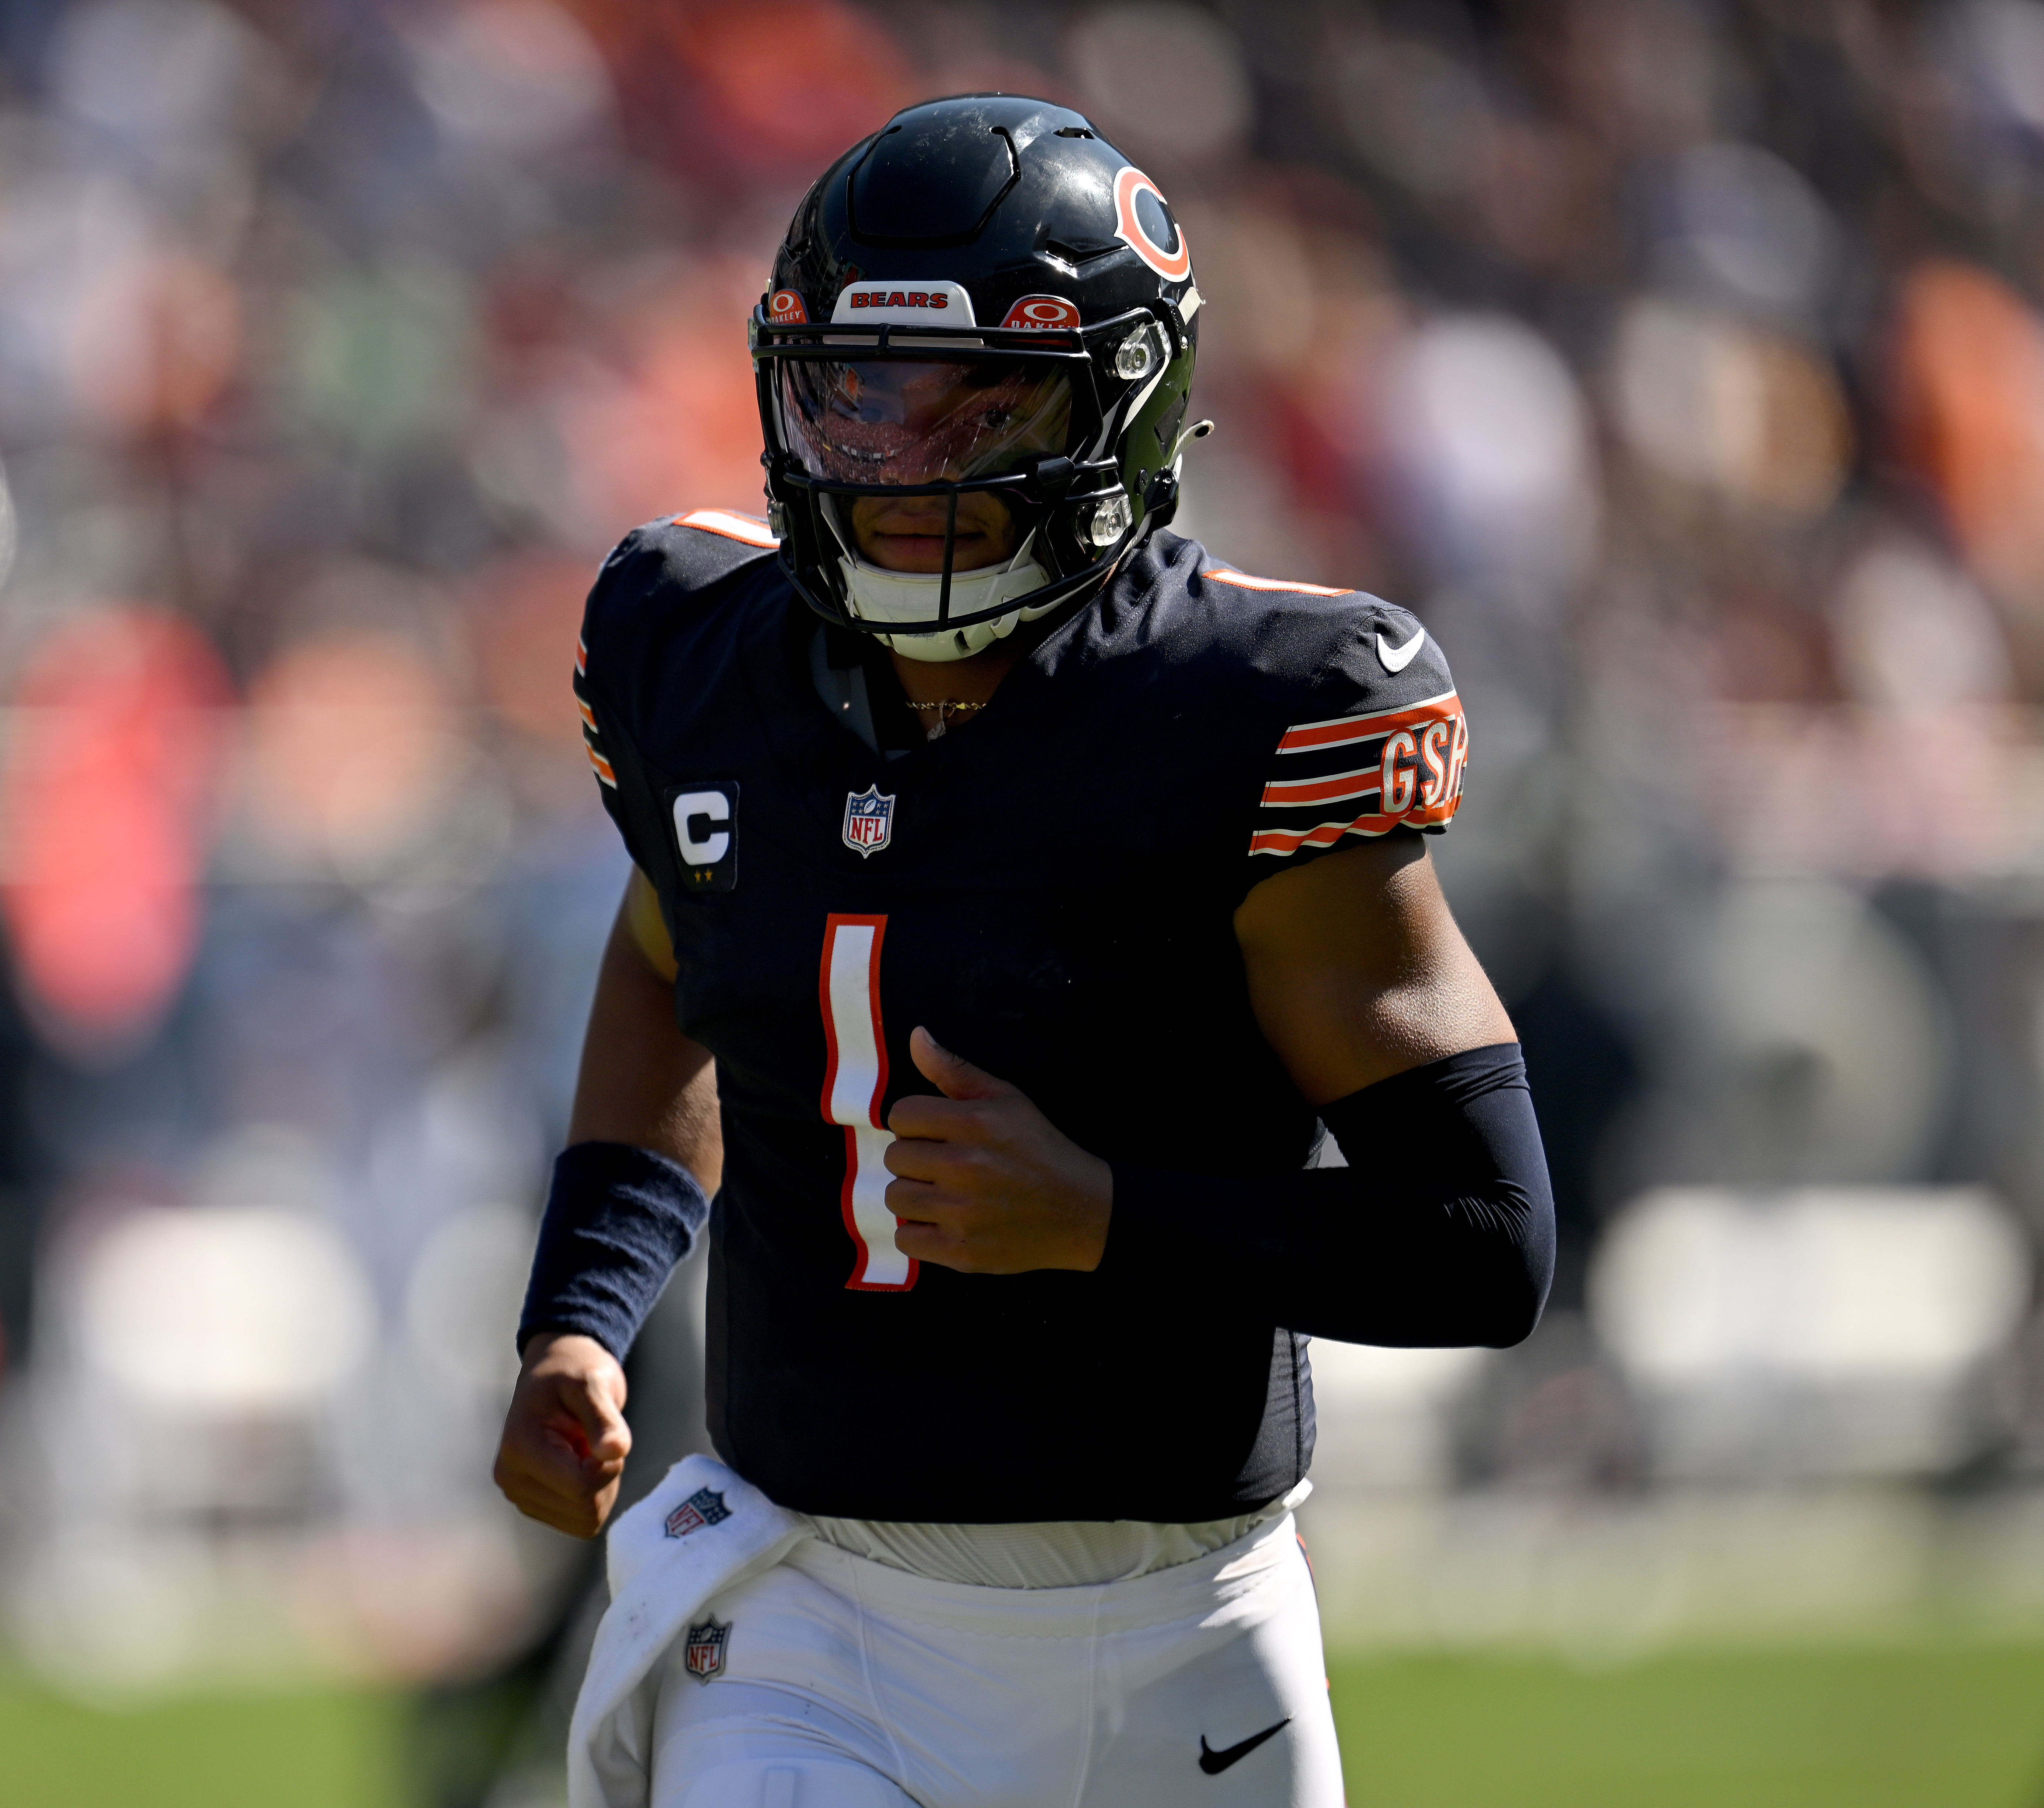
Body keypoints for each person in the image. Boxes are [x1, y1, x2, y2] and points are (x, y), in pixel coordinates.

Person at [493, 93, 1554, 1808]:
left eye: (984, 407)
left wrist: (1111, 1217)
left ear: (1123, 413)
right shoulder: (695, 658)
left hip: (1177, 1634)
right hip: (801, 1608)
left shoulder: (1257, 717)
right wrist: (588, 1312)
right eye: (859, 398)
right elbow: (669, 956)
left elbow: (1484, 1239)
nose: (902, 468)